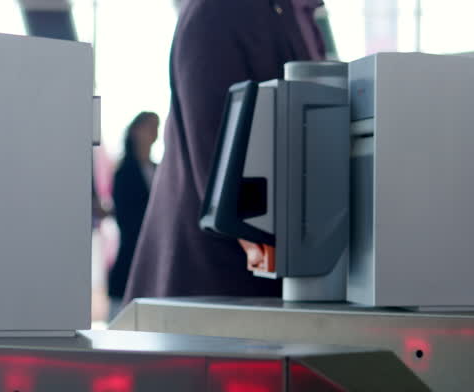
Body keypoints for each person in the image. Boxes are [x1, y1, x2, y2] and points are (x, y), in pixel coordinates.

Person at [123, 0, 329, 302]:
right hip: (213, 292)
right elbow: (223, 179)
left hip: (262, 291)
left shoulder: (300, 14)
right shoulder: (222, 9)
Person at [108, 111, 160, 311]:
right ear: (135, 131)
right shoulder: (124, 172)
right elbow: (126, 218)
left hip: (155, 254)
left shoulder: (158, 168)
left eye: (156, 127)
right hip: (131, 251)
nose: (154, 132)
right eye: (149, 126)